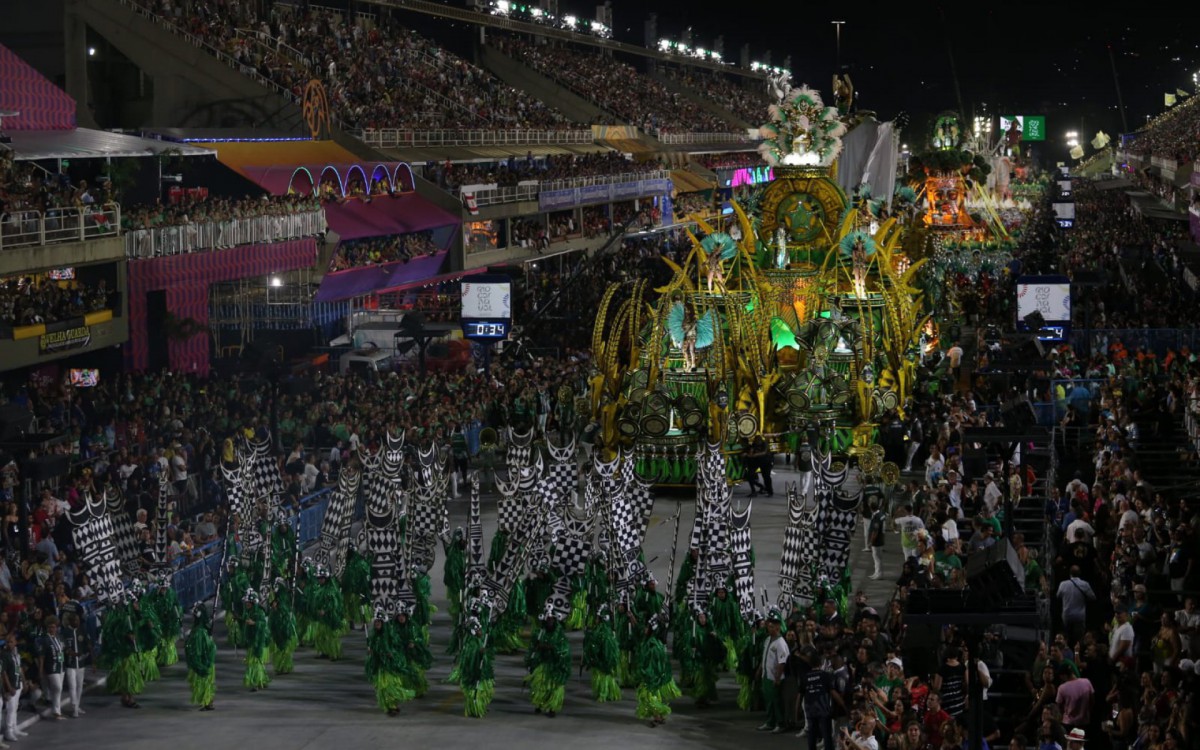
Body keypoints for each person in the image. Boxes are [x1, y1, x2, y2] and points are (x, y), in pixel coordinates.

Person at [525, 608, 570, 717]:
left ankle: (552, 708)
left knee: (554, 687)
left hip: (555, 666)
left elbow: (564, 650)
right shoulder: (539, 633)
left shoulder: (560, 635)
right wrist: (531, 658)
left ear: (555, 620)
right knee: (539, 684)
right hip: (542, 663)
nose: (549, 622)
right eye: (548, 619)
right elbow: (532, 648)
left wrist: (549, 647)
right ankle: (539, 704)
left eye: (551, 620)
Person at [758, 610, 791, 734]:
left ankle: (781, 723)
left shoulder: (780, 643)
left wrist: (777, 678)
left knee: (777, 701)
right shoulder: (768, 640)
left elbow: (782, 662)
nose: (770, 628)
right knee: (769, 701)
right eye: (769, 625)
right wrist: (759, 671)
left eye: (773, 625)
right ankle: (770, 722)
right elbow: (765, 657)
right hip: (766, 675)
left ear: (778, 626)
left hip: (775, 677)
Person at [184, 602, 216, 711]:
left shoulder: (199, 632)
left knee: (203, 681)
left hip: (203, 662)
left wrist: (198, 663)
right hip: (205, 662)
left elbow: (202, 649)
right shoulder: (201, 630)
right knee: (207, 682)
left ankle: (206, 701)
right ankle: (208, 701)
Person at [1056, 566, 1096, 647]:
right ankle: (1077, 652)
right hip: (1079, 616)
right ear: (1080, 573)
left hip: (1067, 615)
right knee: (1079, 640)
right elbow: (1093, 597)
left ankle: (1066, 651)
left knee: (1066, 638)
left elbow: (1058, 596)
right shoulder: (1085, 584)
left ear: (1070, 574)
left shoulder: (1063, 584)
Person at [61, 610, 90, 718]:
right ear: (70, 621)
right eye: (75, 620)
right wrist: (69, 652)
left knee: (79, 686)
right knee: (72, 686)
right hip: (70, 664)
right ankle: (74, 708)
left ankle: (77, 706)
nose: (77, 622)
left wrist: (91, 658)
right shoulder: (65, 632)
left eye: (78, 620)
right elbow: (63, 646)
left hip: (81, 664)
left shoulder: (82, 630)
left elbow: (87, 644)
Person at [37, 616, 66, 720]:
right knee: (57, 687)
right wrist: (41, 670)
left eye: (53, 627)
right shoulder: (45, 640)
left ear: (57, 627)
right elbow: (41, 656)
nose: (51, 629)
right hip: (51, 667)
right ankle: (55, 709)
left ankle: (56, 711)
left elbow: (63, 650)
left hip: (60, 666)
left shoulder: (59, 637)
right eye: (49, 627)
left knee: (58, 689)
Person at [1, 635, 23, 743]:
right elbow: (3, 672)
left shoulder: (15, 654)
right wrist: (9, 687)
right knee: (10, 708)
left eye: (11, 642)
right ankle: (8, 731)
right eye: (8, 642)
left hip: (17, 683)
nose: (9, 644)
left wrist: (22, 681)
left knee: (15, 707)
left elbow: (18, 668)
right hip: (11, 686)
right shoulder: (4, 655)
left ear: (15, 643)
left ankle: (14, 727)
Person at [869, 503, 888, 580]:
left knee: (877, 558)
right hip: (881, 539)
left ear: (871, 508)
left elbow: (875, 531)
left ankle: (879, 574)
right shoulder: (881, 515)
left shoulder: (876, 517)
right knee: (877, 558)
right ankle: (876, 572)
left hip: (877, 541)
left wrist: (871, 541)